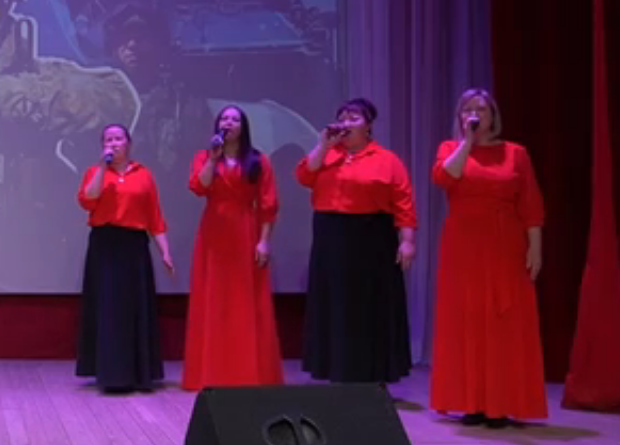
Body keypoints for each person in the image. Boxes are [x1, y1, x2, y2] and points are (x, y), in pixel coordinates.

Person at [429, 88, 547, 428]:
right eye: (467, 109)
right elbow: (443, 178)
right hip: (464, 245)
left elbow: (531, 204)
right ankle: (473, 403)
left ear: (493, 116)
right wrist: (467, 143)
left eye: (481, 109)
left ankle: (501, 404)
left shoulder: (516, 153)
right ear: (460, 117)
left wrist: (535, 248)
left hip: (505, 244)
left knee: (502, 319)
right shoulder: (451, 149)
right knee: (467, 320)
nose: (475, 114)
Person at [295, 97, 416, 384]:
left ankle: (373, 372)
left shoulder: (387, 160)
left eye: (353, 118)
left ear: (368, 125)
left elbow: (404, 203)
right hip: (331, 235)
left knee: (370, 305)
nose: (345, 123)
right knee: (335, 303)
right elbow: (303, 176)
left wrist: (407, 241)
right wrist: (323, 146)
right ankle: (336, 370)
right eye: (342, 118)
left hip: (372, 237)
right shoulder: (327, 154)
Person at [183, 105, 284, 390]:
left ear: (243, 126)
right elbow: (199, 187)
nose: (228, 122)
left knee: (245, 298)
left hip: (245, 229)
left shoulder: (258, 160)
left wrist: (264, 240)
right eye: (224, 118)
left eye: (234, 119)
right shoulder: (204, 157)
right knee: (214, 297)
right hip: (214, 231)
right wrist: (213, 159)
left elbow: (269, 204)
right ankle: (212, 373)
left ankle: (248, 372)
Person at [75, 123, 173, 393]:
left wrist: (165, 251)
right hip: (105, 245)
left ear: (128, 143)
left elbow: (154, 216)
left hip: (134, 246)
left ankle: (138, 373)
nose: (113, 143)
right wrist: (103, 167)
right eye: (108, 139)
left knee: (134, 307)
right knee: (108, 308)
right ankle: (109, 373)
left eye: (118, 138)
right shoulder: (95, 172)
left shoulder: (144, 174)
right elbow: (88, 200)